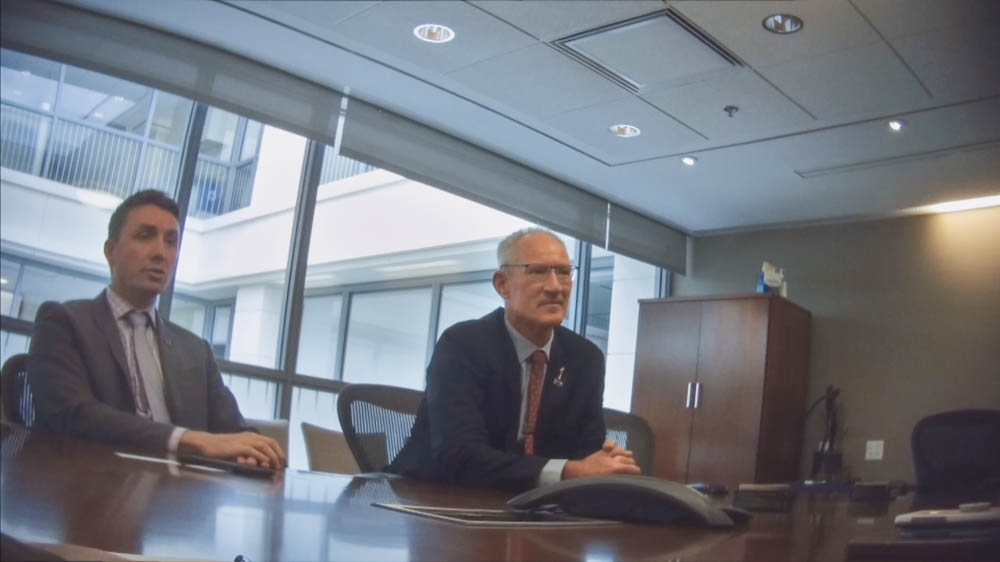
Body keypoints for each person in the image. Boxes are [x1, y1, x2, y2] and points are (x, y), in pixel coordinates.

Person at [27, 189, 285, 468]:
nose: (161, 253)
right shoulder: (64, 322)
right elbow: (71, 413)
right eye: (145, 236)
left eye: (171, 241)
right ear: (111, 251)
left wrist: (252, 449)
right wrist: (187, 439)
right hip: (90, 488)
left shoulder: (195, 350)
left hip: (181, 495)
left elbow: (233, 430)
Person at [389, 227, 640, 491]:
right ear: (503, 285)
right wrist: (569, 471)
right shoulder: (463, 345)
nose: (556, 287)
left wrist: (604, 463)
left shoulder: (585, 358)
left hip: (528, 507)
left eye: (564, 272)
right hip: (433, 498)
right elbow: (459, 455)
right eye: (538, 271)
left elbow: (585, 453)